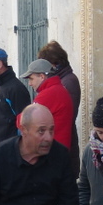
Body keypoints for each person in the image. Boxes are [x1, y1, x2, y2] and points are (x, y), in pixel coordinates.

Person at [38, 40, 82, 178]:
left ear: (55, 63)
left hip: (64, 145)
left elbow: (67, 116)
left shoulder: (68, 81)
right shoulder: (62, 80)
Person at [20, 59, 74, 150]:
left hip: (50, 150)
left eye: (31, 79)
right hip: (57, 149)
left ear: (41, 76)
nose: (29, 83)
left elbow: (24, 121)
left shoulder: (48, 94)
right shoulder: (58, 89)